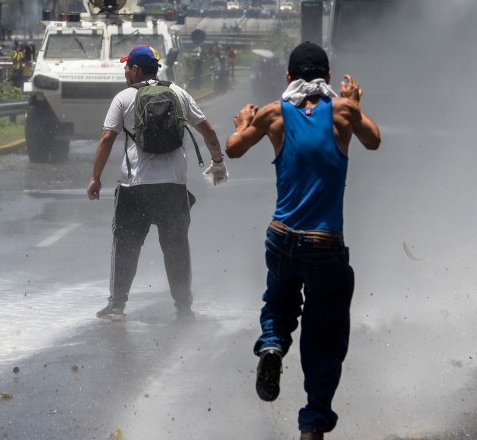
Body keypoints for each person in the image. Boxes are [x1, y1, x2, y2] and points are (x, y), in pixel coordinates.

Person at [225, 41, 381, 440]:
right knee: (325, 336)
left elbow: (233, 149)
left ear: (288, 77)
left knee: (278, 305)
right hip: (325, 243)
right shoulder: (343, 113)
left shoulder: (273, 114)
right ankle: (312, 423)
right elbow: (374, 140)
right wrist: (354, 103)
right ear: (327, 78)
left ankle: (273, 348)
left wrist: (244, 121)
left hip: (281, 236)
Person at [86, 45, 229, 322]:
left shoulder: (124, 98)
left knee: (126, 245)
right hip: (173, 187)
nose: (124, 70)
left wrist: (95, 178)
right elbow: (208, 131)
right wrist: (218, 162)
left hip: (134, 187)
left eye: (127, 66)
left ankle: (117, 306)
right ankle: (184, 308)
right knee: (176, 247)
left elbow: (106, 139)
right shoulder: (179, 93)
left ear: (136, 69)